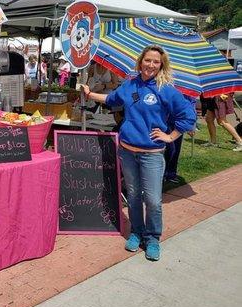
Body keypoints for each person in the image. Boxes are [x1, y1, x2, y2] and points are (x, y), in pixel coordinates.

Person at [80, 45, 196, 261]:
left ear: (161, 65)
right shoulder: (130, 84)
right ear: (140, 61)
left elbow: (187, 116)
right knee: (133, 196)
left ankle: (152, 238)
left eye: (156, 61)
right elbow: (111, 99)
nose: (151, 65)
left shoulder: (166, 89)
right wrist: (90, 93)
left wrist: (170, 136)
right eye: (147, 60)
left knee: (152, 199)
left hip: (152, 154)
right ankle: (136, 232)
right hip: (127, 152)